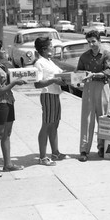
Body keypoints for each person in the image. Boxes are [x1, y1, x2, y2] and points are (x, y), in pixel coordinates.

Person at [0, 39, 26, 178]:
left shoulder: (1, 66)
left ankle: (8, 164)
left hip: (8, 101)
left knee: (7, 134)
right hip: (0, 103)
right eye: (2, 50)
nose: (4, 51)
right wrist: (13, 83)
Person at [76, 30, 110, 162]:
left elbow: (108, 71)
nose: (91, 44)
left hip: (102, 86)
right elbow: (79, 71)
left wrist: (94, 74)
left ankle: (103, 147)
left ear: (99, 41)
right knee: (87, 119)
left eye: (93, 41)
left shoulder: (107, 55)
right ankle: (84, 149)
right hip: (88, 88)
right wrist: (79, 76)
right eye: (89, 42)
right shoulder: (84, 56)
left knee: (103, 118)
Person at [33, 36, 66, 166]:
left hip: (55, 94)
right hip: (48, 95)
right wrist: (53, 80)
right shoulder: (39, 63)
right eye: (50, 46)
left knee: (54, 124)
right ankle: (42, 156)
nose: (52, 47)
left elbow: (58, 73)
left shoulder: (49, 61)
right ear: (44, 49)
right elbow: (38, 83)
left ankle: (55, 152)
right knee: (46, 125)